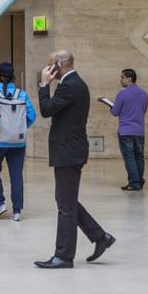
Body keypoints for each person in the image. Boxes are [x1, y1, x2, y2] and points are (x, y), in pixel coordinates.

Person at [34, 51, 114, 269]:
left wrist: (43, 86)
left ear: (59, 65)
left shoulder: (70, 85)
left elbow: (46, 110)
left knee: (65, 206)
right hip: (69, 149)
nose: (47, 69)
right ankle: (99, 237)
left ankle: (64, 256)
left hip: (68, 150)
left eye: (50, 65)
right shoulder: (74, 83)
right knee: (65, 200)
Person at [0, 62, 36, 220]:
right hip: (18, 143)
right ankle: (17, 211)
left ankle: (0, 203)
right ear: (13, 76)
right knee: (16, 175)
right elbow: (32, 116)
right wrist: (19, 128)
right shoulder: (22, 94)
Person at [110, 68, 148, 191]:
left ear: (129, 78)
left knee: (129, 158)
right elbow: (143, 110)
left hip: (126, 131)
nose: (121, 80)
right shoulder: (144, 94)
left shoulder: (122, 94)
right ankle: (139, 180)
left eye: (122, 77)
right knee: (139, 157)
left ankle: (134, 183)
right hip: (139, 130)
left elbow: (115, 112)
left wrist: (111, 107)